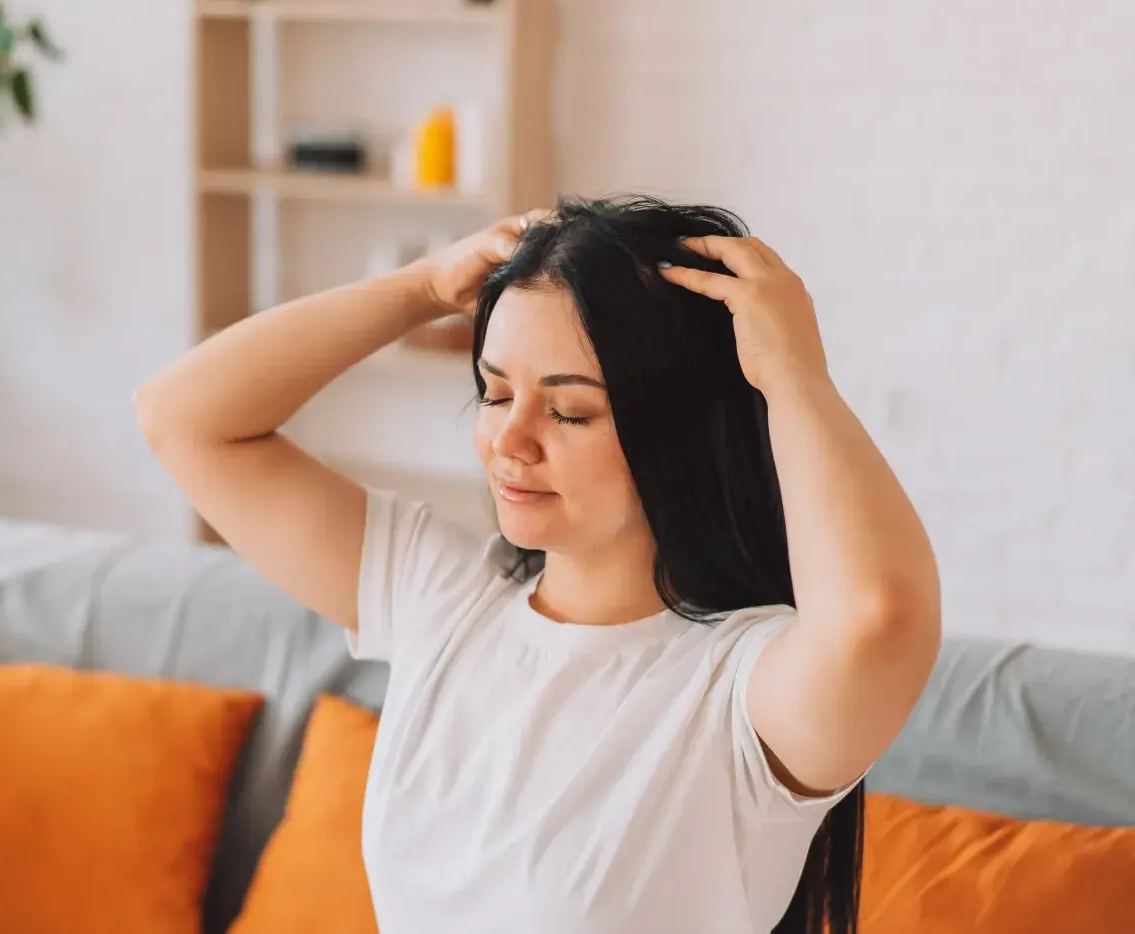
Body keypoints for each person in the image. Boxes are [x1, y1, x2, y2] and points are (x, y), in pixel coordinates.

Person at [134, 195, 941, 934]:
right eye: (493, 393)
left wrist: (791, 374)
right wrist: (421, 287)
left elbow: (880, 617)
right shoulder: (442, 597)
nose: (509, 442)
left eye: (568, 409)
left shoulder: (740, 693)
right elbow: (182, 417)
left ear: (680, 435)